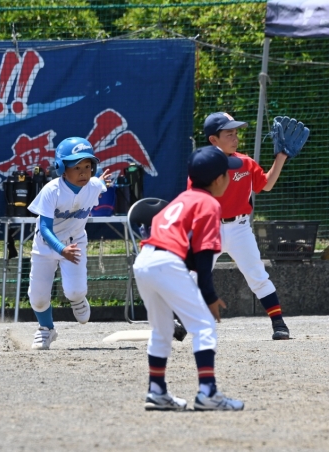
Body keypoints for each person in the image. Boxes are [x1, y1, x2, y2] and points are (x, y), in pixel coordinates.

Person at [134, 145, 245, 411]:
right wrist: (210, 297)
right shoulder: (209, 204)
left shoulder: (180, 200)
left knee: (161, 330)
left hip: (144, 260)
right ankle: (208, 393)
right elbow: (204, 257)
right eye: (227, 174)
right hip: (166, 262)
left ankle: (157, 392)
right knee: (204, 326)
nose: (229, 179)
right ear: (217, 180)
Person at [198, 112, 291, 340]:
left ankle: (279, 323)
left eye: (236, 133)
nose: (235, 137)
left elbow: (266, 185)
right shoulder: (202, 164)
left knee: (257, 275)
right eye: (229, 134)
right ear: (213, 140)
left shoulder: (246, 163)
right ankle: (179, 322)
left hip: (240, 228)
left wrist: (281, 157)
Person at [26, 137, 111, 350]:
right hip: (46, 245)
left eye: (88, 166)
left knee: (74, 291)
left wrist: (102, 181)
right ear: (62, 168)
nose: (84, 172)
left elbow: (99, 184)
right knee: (37, 297)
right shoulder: (52, 190)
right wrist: (61, 249)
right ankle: (46, 329)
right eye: (76, 167)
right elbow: (45, 228)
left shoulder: (92, 185)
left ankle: (78, 298)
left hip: (75, 243)